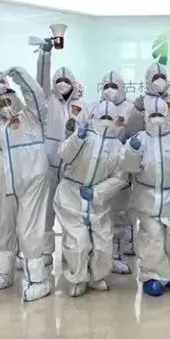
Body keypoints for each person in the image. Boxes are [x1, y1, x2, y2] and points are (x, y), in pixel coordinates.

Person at [0, 67, 54, 302]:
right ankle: (3, 273)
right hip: (4, 186)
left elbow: (36, 94)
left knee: (28, 231)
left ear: (14, 95)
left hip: (32, 185)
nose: (3, 105)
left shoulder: (32, 117)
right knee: (3, 229)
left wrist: (17, 73)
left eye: (6, 98)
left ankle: (38, 279)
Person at [120, 96, 170, 297]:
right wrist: (132, 152)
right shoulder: (138, 140)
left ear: (167, 115)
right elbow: (128, 168)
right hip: (147, 198)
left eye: (160, 114)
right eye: (152, 115)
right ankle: (153, 275)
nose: (156, 119)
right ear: (146, 116)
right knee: (152, 238)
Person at [55, 103, 126, 297]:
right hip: (72, 194)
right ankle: (77, 278)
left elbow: (120, 178)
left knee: (103, 241)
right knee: (77, 241)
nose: (105, 122)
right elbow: (63, 154)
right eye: (102, 117)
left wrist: (97, 192)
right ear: (92, 117)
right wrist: (76, 138)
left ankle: (97, 277)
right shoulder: (83, 137)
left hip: (98, 200)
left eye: (109, 118)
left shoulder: (119, 148)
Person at [37, 29, 86, 269]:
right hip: (49, 162)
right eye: (59, 80)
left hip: (72, 166)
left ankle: (70, 250)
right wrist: (45, 56)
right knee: (46, 210)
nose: (62, 84)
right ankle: (46, 251)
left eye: (67, 81)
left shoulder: (82, 105)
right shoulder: (47, 99)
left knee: (71, 210)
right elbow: (41, 79)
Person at [91, 70, 135, 275]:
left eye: (114, 86)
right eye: (106, 86)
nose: (110, 90)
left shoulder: (130, 108)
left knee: (120, 213)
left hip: (120, 164)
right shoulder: (93, 107)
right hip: (97, 166)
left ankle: (117, 254)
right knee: (97, 214)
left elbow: (136, 134)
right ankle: (96, 255)